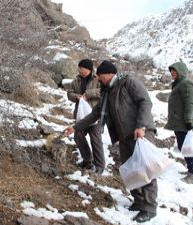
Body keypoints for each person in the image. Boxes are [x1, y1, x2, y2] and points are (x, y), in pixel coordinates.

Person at [63, 60, 158, 223]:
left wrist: (141, 125)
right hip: (124, 136)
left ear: (109, 74)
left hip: (140, 133)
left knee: (144, 168)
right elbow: (95, 114)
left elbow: (145, 102)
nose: (98, 79)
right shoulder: (107, 92)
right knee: (130, 169)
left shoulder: (129, 83)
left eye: (100, 76)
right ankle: (139, 201)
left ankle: (149, 207)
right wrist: (75, 127)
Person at [67, 59, 105, 175]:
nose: (79, 70)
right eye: (79, 68)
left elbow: (103, 91)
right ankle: (87, 160)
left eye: (81, 68)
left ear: (88, 69)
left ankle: (100, 166)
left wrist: (88, 94)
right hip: (81, 115)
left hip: (95, 115)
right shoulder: (76, 80)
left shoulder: (97, 79)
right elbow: (69, 93)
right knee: (78, 135)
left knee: (96, 139)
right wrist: (77, 97)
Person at [165, 61, 193, 184]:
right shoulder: (178, 84)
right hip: (179, 122)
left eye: (175, 70)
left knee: (187, 148)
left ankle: (192, 174)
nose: (172, 73)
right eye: (171, 71)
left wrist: (189, 120)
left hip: (185, 123)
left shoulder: (187, 84)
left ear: (181, 71)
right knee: (182, 146)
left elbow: (190, 103)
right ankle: (191, 170)